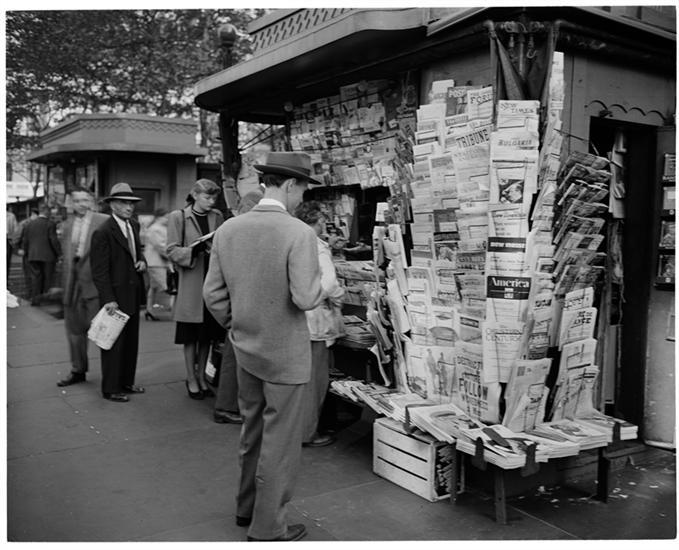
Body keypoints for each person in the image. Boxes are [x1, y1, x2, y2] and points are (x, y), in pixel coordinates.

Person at [203, 152, 324, 542]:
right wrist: (326, 286)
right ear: (290, 185)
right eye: (303, 189)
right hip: (286, 354)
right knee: (281, 443)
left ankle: (245, 508)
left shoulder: (229, 230)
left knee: (251, 433)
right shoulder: (298, 233)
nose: (301, 199)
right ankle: (268, 526)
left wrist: (237, 326)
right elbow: (306, 298)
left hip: (245, 348)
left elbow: (213, 294)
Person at [167, 179, 226, 400]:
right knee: (191, 336)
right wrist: (194, 251)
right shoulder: (178, 217)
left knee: (207, 337)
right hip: (191, 283)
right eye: (207, 197)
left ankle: (202, 377)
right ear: (195, 194)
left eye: (213, 198)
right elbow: (171, 250)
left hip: (212, 282)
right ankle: (191, 378)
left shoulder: (217, 217)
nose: (211, 202)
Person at [294, 200, 345, 448]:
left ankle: (299, 429)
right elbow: (331, 283)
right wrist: (337, 298)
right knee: (316, 381)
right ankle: (308, 433)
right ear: (317, 221)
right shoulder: (318, 247)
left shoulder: (295, 241)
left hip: (299, 322)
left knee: (302, 380)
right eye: (323, 220)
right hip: (316, 321)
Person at [90, 183, 147, 402]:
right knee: (113, 342)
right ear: (112, 204)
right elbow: (99, 271)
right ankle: (111, 388)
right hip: (115, 297)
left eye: (131, 203)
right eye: (123, 203)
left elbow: (136, 253)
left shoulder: (134, 225)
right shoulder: (103, 232)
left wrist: (142, 261)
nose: (129, 207)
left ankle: (126, 382)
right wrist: (108, 299)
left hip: (132, 292)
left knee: (131, 341)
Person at [213, 189, 264, 424]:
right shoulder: (244, 231)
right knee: (235, 359)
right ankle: (227, 407)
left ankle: (228, 405)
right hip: (242, 305)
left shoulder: (230, 229)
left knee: (233, 357)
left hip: (235, 304)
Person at [57, 187, 109, 387]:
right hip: (72, 285)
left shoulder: (103, 220)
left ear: (92, 201)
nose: (81, 204)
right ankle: (78, 370)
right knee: (74, 332)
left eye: (85, 199)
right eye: (77, 200)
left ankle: (111, 377)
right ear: (70, 203)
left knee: (104, 332)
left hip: (95, 285)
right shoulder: (67, 225)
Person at [23, 204, 61, 305]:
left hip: (33, 255)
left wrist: (26, 253)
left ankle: (35, 300)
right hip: (48, 256)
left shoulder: (29, 224)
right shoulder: (50, 224)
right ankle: (46, 300)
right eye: (49, 211)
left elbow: (25, 240)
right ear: (46, 212)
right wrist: (59, 253)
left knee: (36, 278)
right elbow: (53, 240)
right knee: (48, 278)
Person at [142, 208, 172, 320]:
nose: (168, 219)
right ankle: (172, 309)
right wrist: (172, 256)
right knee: (166, 287)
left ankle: (150, 310)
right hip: (156, 262)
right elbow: (161, 246)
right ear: (159, 217)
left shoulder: (156, 228)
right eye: (166, 217)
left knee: (153, 287)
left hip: (155, 261)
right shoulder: (156, 229)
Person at [13, 209, 38, 299]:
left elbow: (16, 238)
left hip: (32, 251)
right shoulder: (24, 223)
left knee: (33, 275)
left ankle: (33, 294)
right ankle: (31, 294)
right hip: (28, 252)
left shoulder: (26, 223)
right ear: (33, 214)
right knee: (30, 274)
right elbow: (16, 238)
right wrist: (17, 249)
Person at [6, 207, 18, 277]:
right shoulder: (11, 216)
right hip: (8, 239)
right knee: (6, 261)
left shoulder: (11, 216)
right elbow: (16, 229)